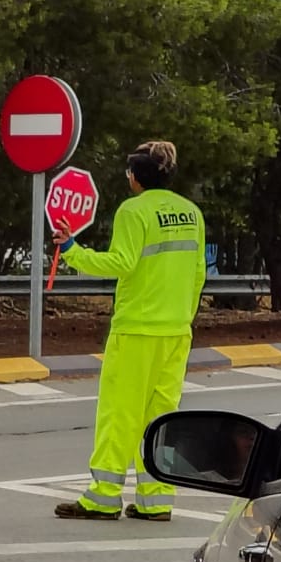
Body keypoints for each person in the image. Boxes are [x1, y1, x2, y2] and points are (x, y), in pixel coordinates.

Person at [52, 140, 206, 521]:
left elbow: (120, 263)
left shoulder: (133, 212)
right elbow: (199, 273)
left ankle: (103, 497)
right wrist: (183, 316)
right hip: (176, 332)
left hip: (137, 329)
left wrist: (72, 249)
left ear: (136, 178)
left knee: (119, 414)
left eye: (128, 174)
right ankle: (157, 500)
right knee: (161, 418)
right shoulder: (191, 213)